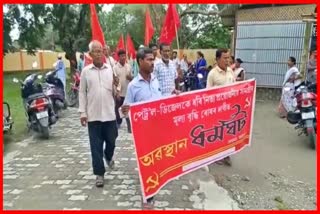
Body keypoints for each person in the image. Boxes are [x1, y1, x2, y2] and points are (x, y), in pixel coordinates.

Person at [120, 47, 162, 209]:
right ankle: (148, 196)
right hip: (143, 132)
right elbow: (126, 109)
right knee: (146, 162)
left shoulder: (156, 80)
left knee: (157, 160)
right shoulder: (133, 86)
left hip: (159, 128)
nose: (152, 63)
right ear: (140, 62)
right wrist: (125, 111)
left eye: (153, 59)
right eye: (149, 60)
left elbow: (162, 102)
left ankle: (154, 183)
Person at [78, 40, 120, 188]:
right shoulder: (86, 72)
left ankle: (108, 156)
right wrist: (83, 112)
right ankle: (99, 174)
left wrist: (117, 85)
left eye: (100, 50)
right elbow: (82, 93)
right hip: (93, 115)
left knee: (112, 140)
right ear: (90, 54)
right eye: (95, 51)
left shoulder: (110, 69)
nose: (98, 53)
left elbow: (116, 92)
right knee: (95, 146)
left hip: (109, 114)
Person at [207, 48, 235, 166]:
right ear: (218, 59)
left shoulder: (230, 72)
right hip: (217, 110)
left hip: (230, 108)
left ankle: (226, 154)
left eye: (228, 57)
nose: (227, 60)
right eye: (225, 58)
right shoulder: (212, 74)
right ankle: (216, 156)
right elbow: (207, 94)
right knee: (218, 133)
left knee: (228, 132)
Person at [114, 49, 133, 133]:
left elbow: (132, 78)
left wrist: (130, 77)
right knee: (118, 108)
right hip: (119, 93)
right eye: (121, 56)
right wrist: (117, 92)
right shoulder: (115, 67)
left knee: (128, 109)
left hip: (128, 92)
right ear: (119, 57)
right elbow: (115, 81)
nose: (123, 57)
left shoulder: (128, 66)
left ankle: (129, 126)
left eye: (124, 56)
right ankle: (118, 123)